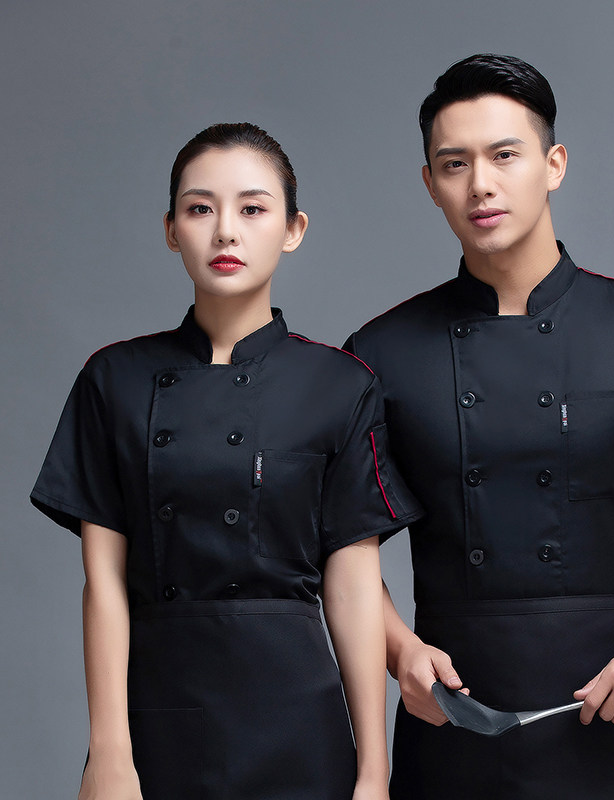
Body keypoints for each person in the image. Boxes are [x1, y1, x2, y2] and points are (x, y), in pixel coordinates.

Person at [344, 54, 614, 799]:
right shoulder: (379, 354)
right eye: (454, 163)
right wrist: (399, 650)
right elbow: (346, 545)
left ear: (554, 165)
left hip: (607, 713)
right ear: (430, 184)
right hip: (450, 717)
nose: (481, 183)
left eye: (505, 155)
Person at [31, 122, 422, 800]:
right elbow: (104, 584)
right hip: (158, 718)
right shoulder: (114, 379)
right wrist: (110, 752)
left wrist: (372, 773)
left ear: (293, 229)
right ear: (170, 229)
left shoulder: (341, 384)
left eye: (252, 208)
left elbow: (355, 589)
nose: (225, 232)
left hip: (300, 723)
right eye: (199, 208)